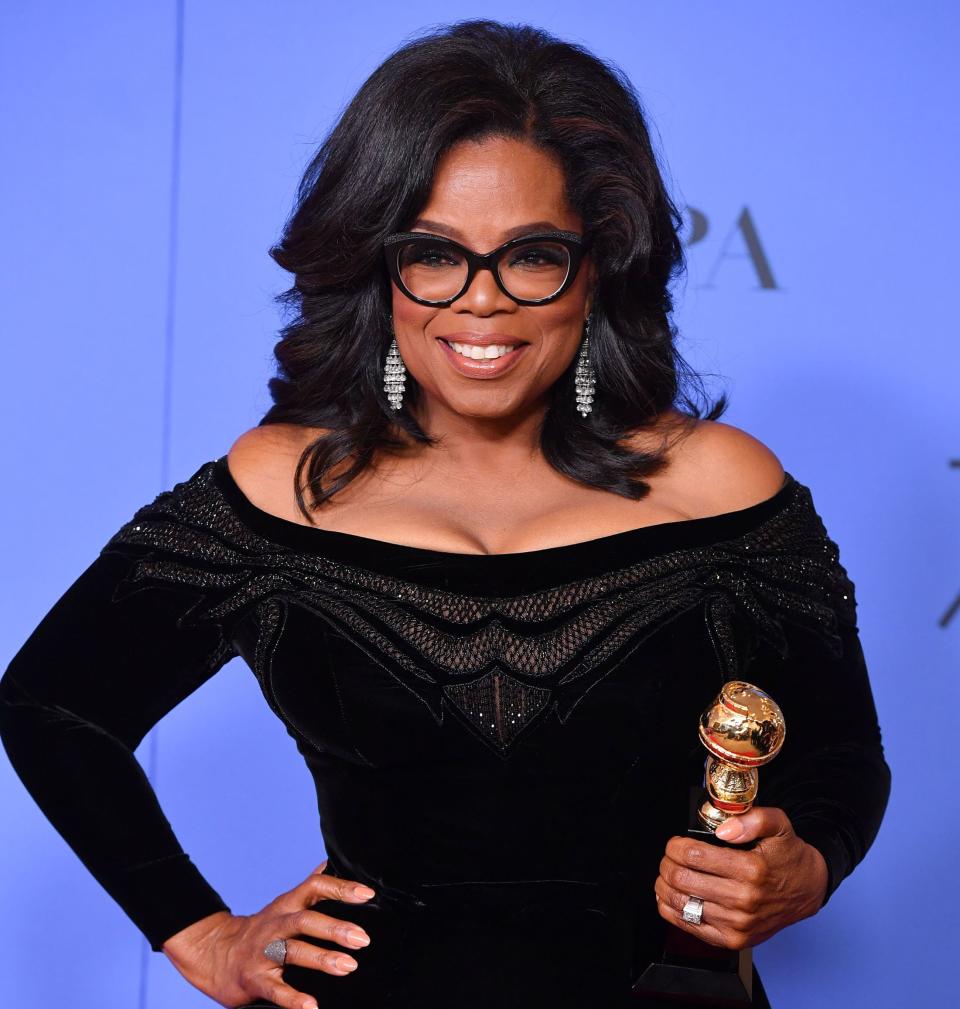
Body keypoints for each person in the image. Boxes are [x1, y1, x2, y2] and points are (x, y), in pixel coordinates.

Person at [0, 18, 891, 1009]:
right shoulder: (276, 492)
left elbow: (842, 754)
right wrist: (200, 931)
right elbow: (53, 705)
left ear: (595, 267)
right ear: (380, 270)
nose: (482, 303)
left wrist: (805, 867)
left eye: (532, 255)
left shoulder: (726, 486)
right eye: (434, 254)